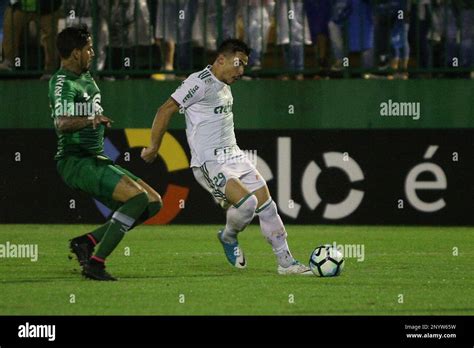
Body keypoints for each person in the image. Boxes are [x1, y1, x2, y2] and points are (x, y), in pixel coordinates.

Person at [141, 39, 311, 275]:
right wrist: (153, 147)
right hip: (209, 162)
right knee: (248, 203)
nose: (241, 71)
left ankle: (286, 263)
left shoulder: (225, 84)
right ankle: (229, 236)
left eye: (244, 66)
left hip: (235, 156)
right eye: (238, 64)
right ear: (221, 60)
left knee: (267, 205)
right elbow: (166, 109)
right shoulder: (199, 82)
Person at [48, 26, 162, 281]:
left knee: (153, 202)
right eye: (88, 48)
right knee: (137, 199)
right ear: (76, 53)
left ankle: (87, 242)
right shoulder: (63, 81)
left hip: (94, 158)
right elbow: (62, 123)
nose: (92, 52)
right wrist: (91, 119)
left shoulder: (86, 78)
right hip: (75, 160)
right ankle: (96, 264)